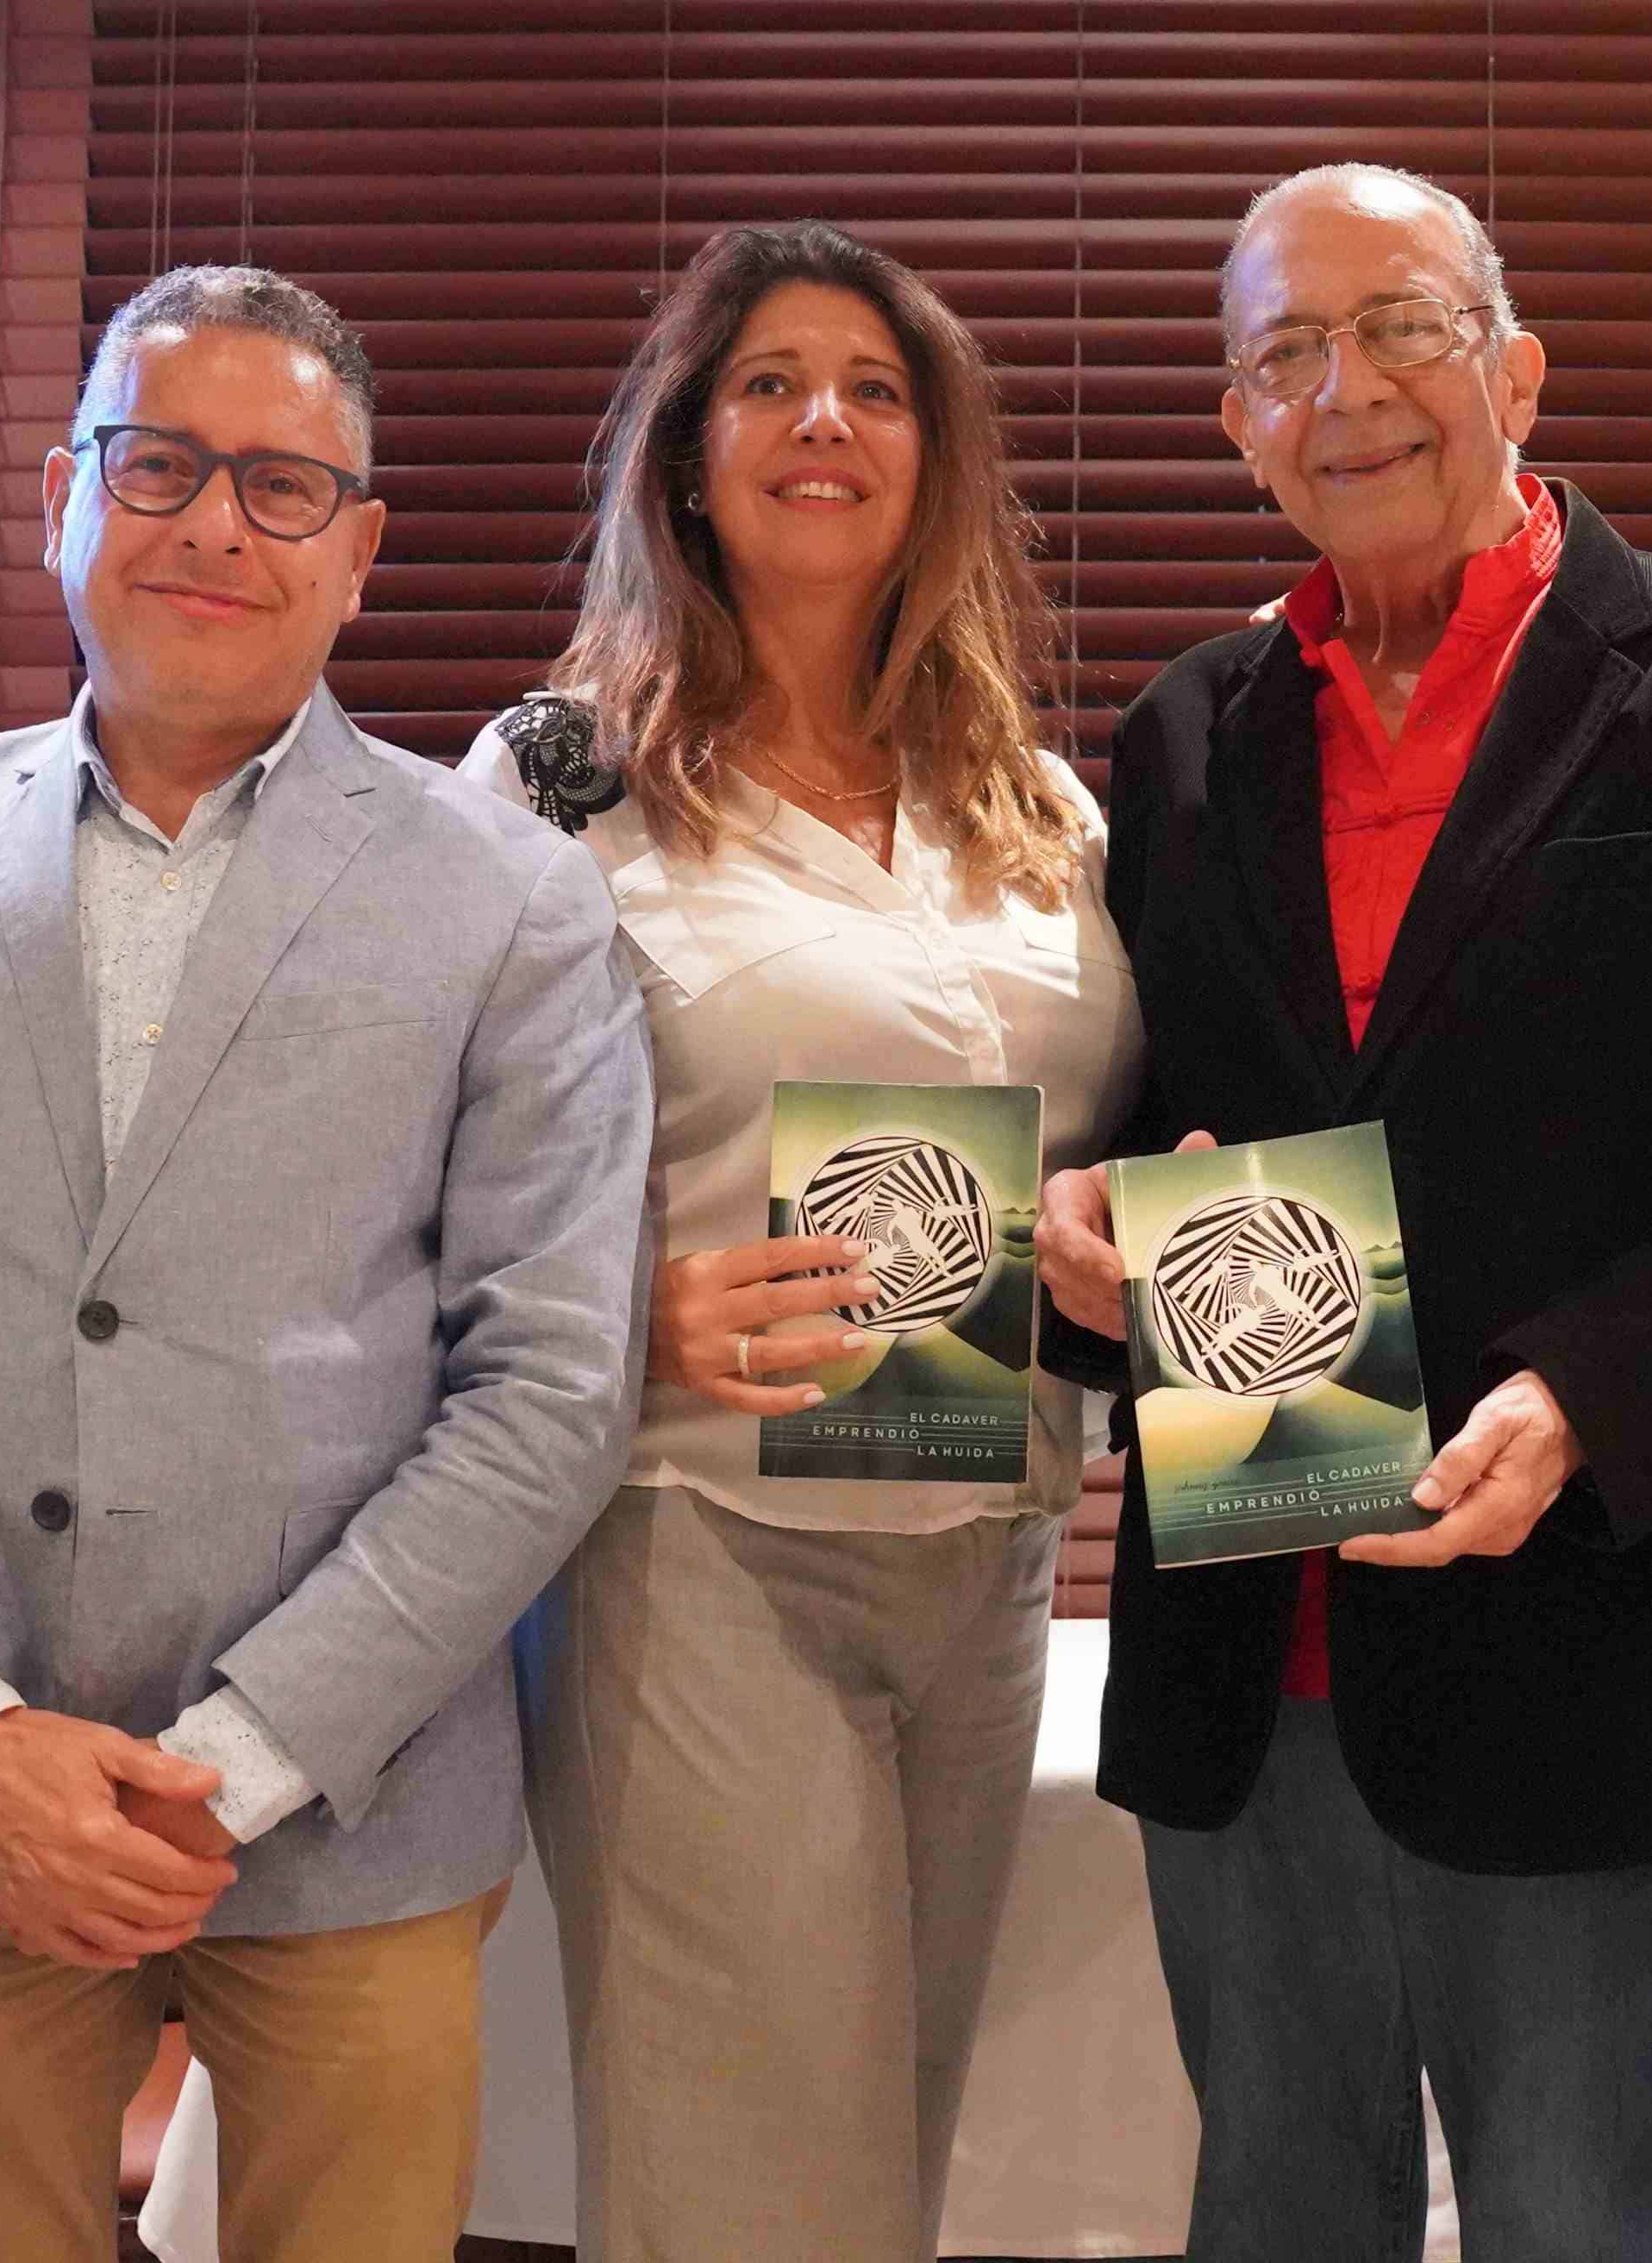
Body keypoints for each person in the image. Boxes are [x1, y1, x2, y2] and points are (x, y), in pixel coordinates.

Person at [0, 265, 653, 2261]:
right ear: (63, 496)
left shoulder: (517, 906)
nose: (214, 523)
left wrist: (237, 1763)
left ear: (362, 552)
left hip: (355, 1806)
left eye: (285, 487)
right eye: (163, 463)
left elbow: (549, 1384)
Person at [1032, 164, 1652, 2263]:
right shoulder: (1182, 737)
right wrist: (1084, 1252)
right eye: (1281, 355)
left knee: (1575, 2225)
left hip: (1590, 1657)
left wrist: (1581, 1408)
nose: (1342, 392)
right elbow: (1163, 1163)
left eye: (1400, 328)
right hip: (1244, 1645)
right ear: (1236, 421)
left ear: (1515, 365)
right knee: (1273, 2215)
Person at [457, 219, 1144, 2263]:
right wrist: (616, 1312)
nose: (822, 420)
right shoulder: (556, 778)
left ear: (933, 459)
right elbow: (395, 1168)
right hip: (696, 1541)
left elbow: (1091, 1139)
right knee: (751, 2191)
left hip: (993, 1540)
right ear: (686, 454)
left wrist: (1119, 1235)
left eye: (873, 386)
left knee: (893, 2166)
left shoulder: (1031, 798)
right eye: (768, 382)